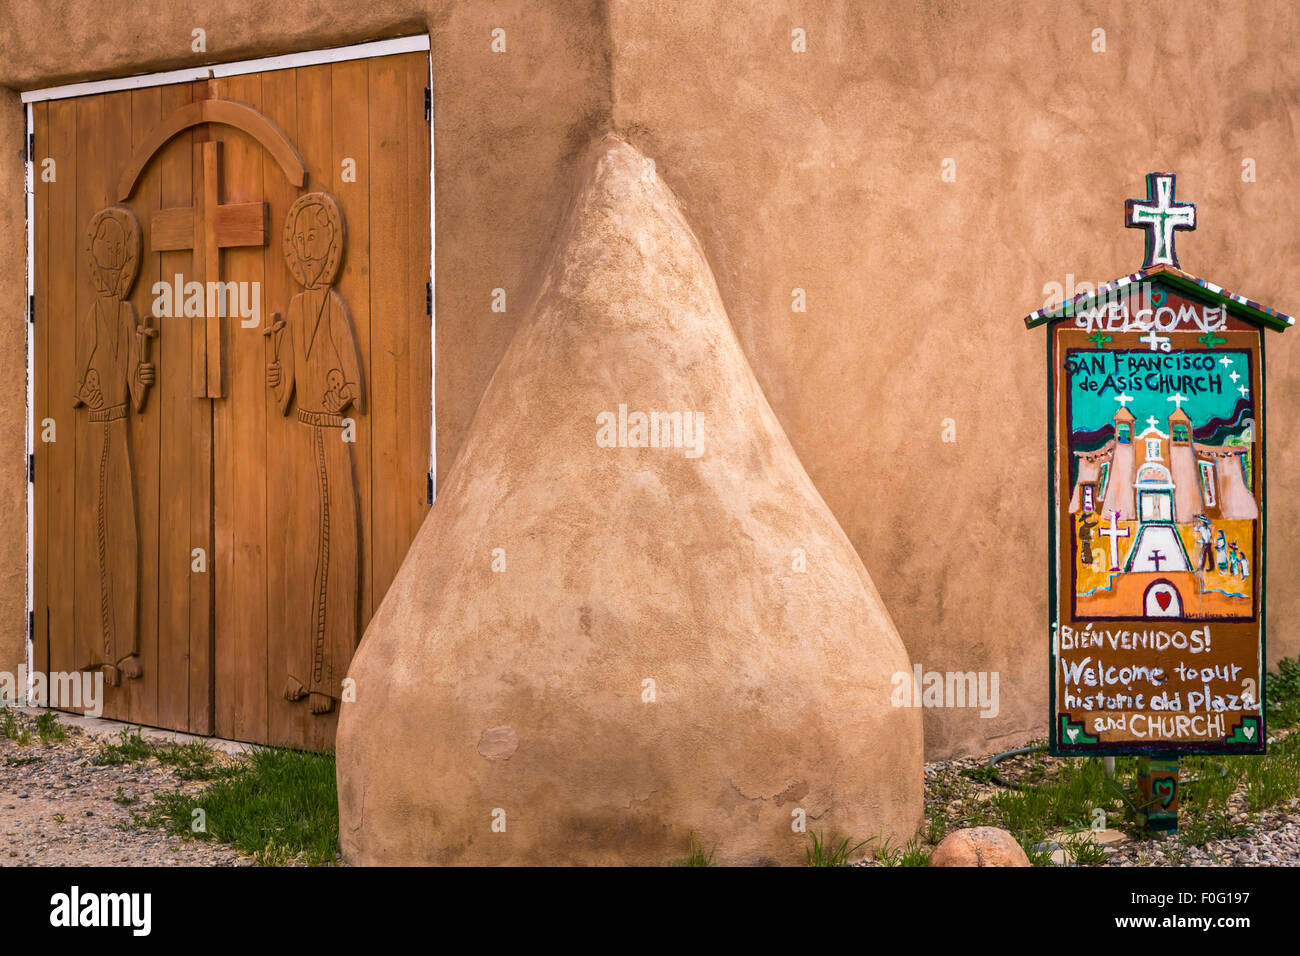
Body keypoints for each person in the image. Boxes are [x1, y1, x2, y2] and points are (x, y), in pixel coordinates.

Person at [268, 192, 365, 716]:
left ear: (330, 244)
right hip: (305, 438)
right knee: (306, 542)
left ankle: (332, 674)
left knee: (336, 541)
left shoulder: (332, 306)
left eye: (315, 238)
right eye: (299, 239)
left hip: (331, 435)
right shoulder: (299, 307)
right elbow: (282, 391)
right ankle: (302, 665)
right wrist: (273, 358)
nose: (307, 248)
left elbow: (350, 377)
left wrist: (336, 391)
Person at [74, 208, 154, 686]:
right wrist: (91, 390)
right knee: (94, 531)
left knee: (123, 532)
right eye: (103, 248)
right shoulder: (92, 314)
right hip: (95, 429)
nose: (110, 257)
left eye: (117, 249)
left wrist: (141, 377)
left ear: (126, 258)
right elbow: (82, 377)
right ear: (95, 256)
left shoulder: (127, 314)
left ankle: (122, 648)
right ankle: (96, 647)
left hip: (119, 427)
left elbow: (133, 385)